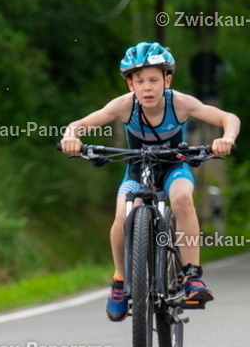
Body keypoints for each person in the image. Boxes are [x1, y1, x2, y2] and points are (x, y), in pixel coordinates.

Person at [59, 42, 239, 321]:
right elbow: (79, 125)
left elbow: (228, 118)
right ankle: (120, 281)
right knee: (122, 214)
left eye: (154, 80)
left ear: (167, 80)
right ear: (130, 83)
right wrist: (71, 137)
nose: (147, 87)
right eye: (139, 81)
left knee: (181, 198)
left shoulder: (179, 103)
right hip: (136, 170)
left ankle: (192, 275)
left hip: (174, 167)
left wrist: (226, 139)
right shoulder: (123, 106)